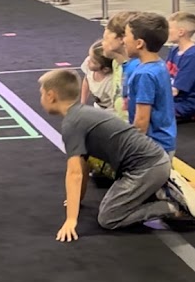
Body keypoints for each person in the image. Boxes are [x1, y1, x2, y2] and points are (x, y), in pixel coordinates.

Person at [38, 69, 195, 242]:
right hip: (150, 163)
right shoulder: (81, 114)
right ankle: (154, 191)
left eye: (42, 94)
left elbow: (74, 173)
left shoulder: (72, 124)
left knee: (109, 218)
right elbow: (83, 165)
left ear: (51, 96)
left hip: (147, 168)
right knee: (115, 206)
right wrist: (77, 200)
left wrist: (71, 220)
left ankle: (169, 206)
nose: (41, 98)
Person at [123, 12, 177, 155]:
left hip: (153, 147)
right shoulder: (159, 64)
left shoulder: (144, 75)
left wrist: (131, 148)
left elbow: (141, 121)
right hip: (164, 142)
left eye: (126, 35)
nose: (123, 41)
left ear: (139, 43)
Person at [101, 10, 140, 121]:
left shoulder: (138, 69)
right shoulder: (116, 63)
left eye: (105, 39)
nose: (102, 43)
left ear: (121, 39)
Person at [166, 11, 195, 122]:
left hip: (186, 104)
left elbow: (176, 90)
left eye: (169, 28)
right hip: (173, 99)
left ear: (181, 32)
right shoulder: (174, 50)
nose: (167, 31)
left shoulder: (192, 56)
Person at [79, 39, 115, 110]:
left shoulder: (110, 83)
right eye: (89, 56)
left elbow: (117, 105)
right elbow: (87, 80)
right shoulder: (89, 65)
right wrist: (82, 103)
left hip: (111, 110)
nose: (88, 61)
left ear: (105, 69)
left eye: (93, 62)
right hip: (98, 106)